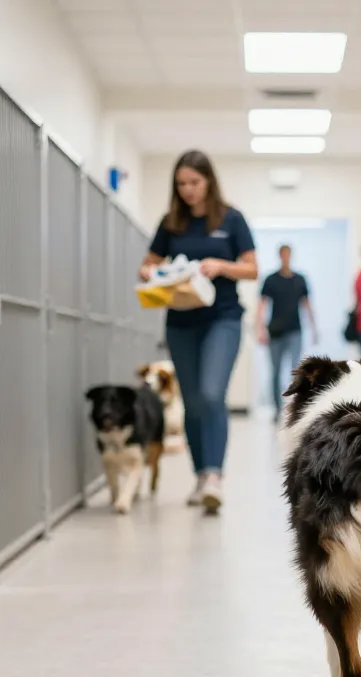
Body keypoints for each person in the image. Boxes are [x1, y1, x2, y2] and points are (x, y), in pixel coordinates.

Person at [138, 150, 257, 514]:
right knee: (191, 401)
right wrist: (158, 274)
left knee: (210, 392)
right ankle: (199, 475)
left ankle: (214, 477)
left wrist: (221, 266)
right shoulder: (170, 222)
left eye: (195, 182)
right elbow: (147, 265)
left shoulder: (231, 219)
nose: (188, 190)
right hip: (181, 321)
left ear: (209, 181)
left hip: (222, 318)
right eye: (181, 184)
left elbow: (252, 269)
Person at [255, 244, 315, 419]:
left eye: (289, 254)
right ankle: (276, 408)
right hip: (275, 332)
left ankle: (296, 408)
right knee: (275, 371)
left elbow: (307, 304)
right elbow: (262, 305)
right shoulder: (271, 280)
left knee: (296, 370)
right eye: (283, 255)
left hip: (295, 331)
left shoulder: (300, 280)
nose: (286, 258)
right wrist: (260, 329)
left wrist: (314, 328)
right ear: (280, 256)